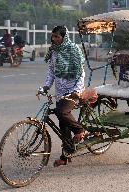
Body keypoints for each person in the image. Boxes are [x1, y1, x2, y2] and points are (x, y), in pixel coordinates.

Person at [42, 26, 86, 167]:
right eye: (53, 36)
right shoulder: (54, 51)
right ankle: (66, 155)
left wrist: (76, 91)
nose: (54, 39)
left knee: (62, 112)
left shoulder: (73, 49)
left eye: (57, 37)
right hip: (60, 91)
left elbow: (81, 72)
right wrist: (46, 86)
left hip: (74, 90)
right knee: (63, 123)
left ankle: (80, 130)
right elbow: (51, 72)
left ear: (64, 37)